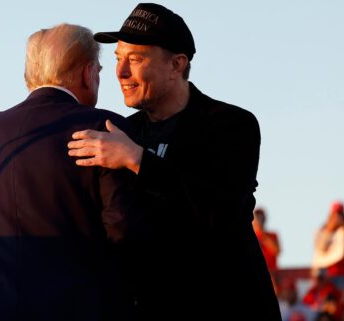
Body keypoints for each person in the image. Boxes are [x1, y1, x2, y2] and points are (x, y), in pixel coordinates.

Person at [67, 3, 281, 320]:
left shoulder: (231, 124)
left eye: (135, 59)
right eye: (117, 59)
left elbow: (222, 215)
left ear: (177, 65)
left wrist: (137, 159)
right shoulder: (124, 131)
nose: (121, 72)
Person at [0, 23, 134, 321]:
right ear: (87, 73)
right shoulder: (107, 129)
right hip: (74, 307)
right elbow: (122, 229)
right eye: (100, 72)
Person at [312, 200, 344, 291]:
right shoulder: (322, 230)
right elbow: (320, 248)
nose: (338, 218)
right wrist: (329, 231)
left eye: (340, 214)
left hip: (343, 273)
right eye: (335, 215)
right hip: (325, 273)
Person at [253, 207, 282, 292]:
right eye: (257, 217)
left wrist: (262, 234)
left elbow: (277, 251)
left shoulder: (273, 235)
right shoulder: (250, 236)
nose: (259, 219)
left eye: (261, 217)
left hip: (272, 273)